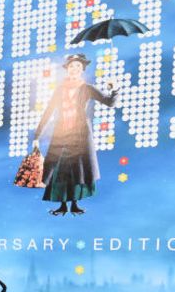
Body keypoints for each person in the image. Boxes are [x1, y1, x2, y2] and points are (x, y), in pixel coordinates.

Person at [33, 54, 117, 216]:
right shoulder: (60, 90)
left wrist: (114, 89)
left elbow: (109, 102)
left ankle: (75, 204)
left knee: (78, 170)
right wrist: (37, 136)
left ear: (82, 70)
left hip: (79, 136)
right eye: (72, 66)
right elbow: (48, 112)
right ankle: (63, 205)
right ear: (67, 69)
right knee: (60, 169)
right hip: (61, 135)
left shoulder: (87, 88)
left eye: (78, 67)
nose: (75, 69)